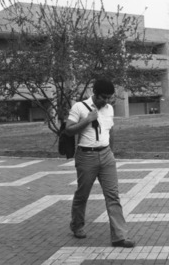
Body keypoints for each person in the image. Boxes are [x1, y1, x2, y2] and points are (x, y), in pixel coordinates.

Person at [65, 78, 134, 247]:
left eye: (109, 97)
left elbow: (111, 131)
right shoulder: (79, 107)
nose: (107, 101)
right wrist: (88, 119)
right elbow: (68, 130)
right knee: (83, 194)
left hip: (106, 156)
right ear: (94, 93)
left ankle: (119, 236)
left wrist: (111, 151)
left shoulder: (109, 109)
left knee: (113, 196)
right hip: (86, 156)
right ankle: (77, 225)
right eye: (103, 97)